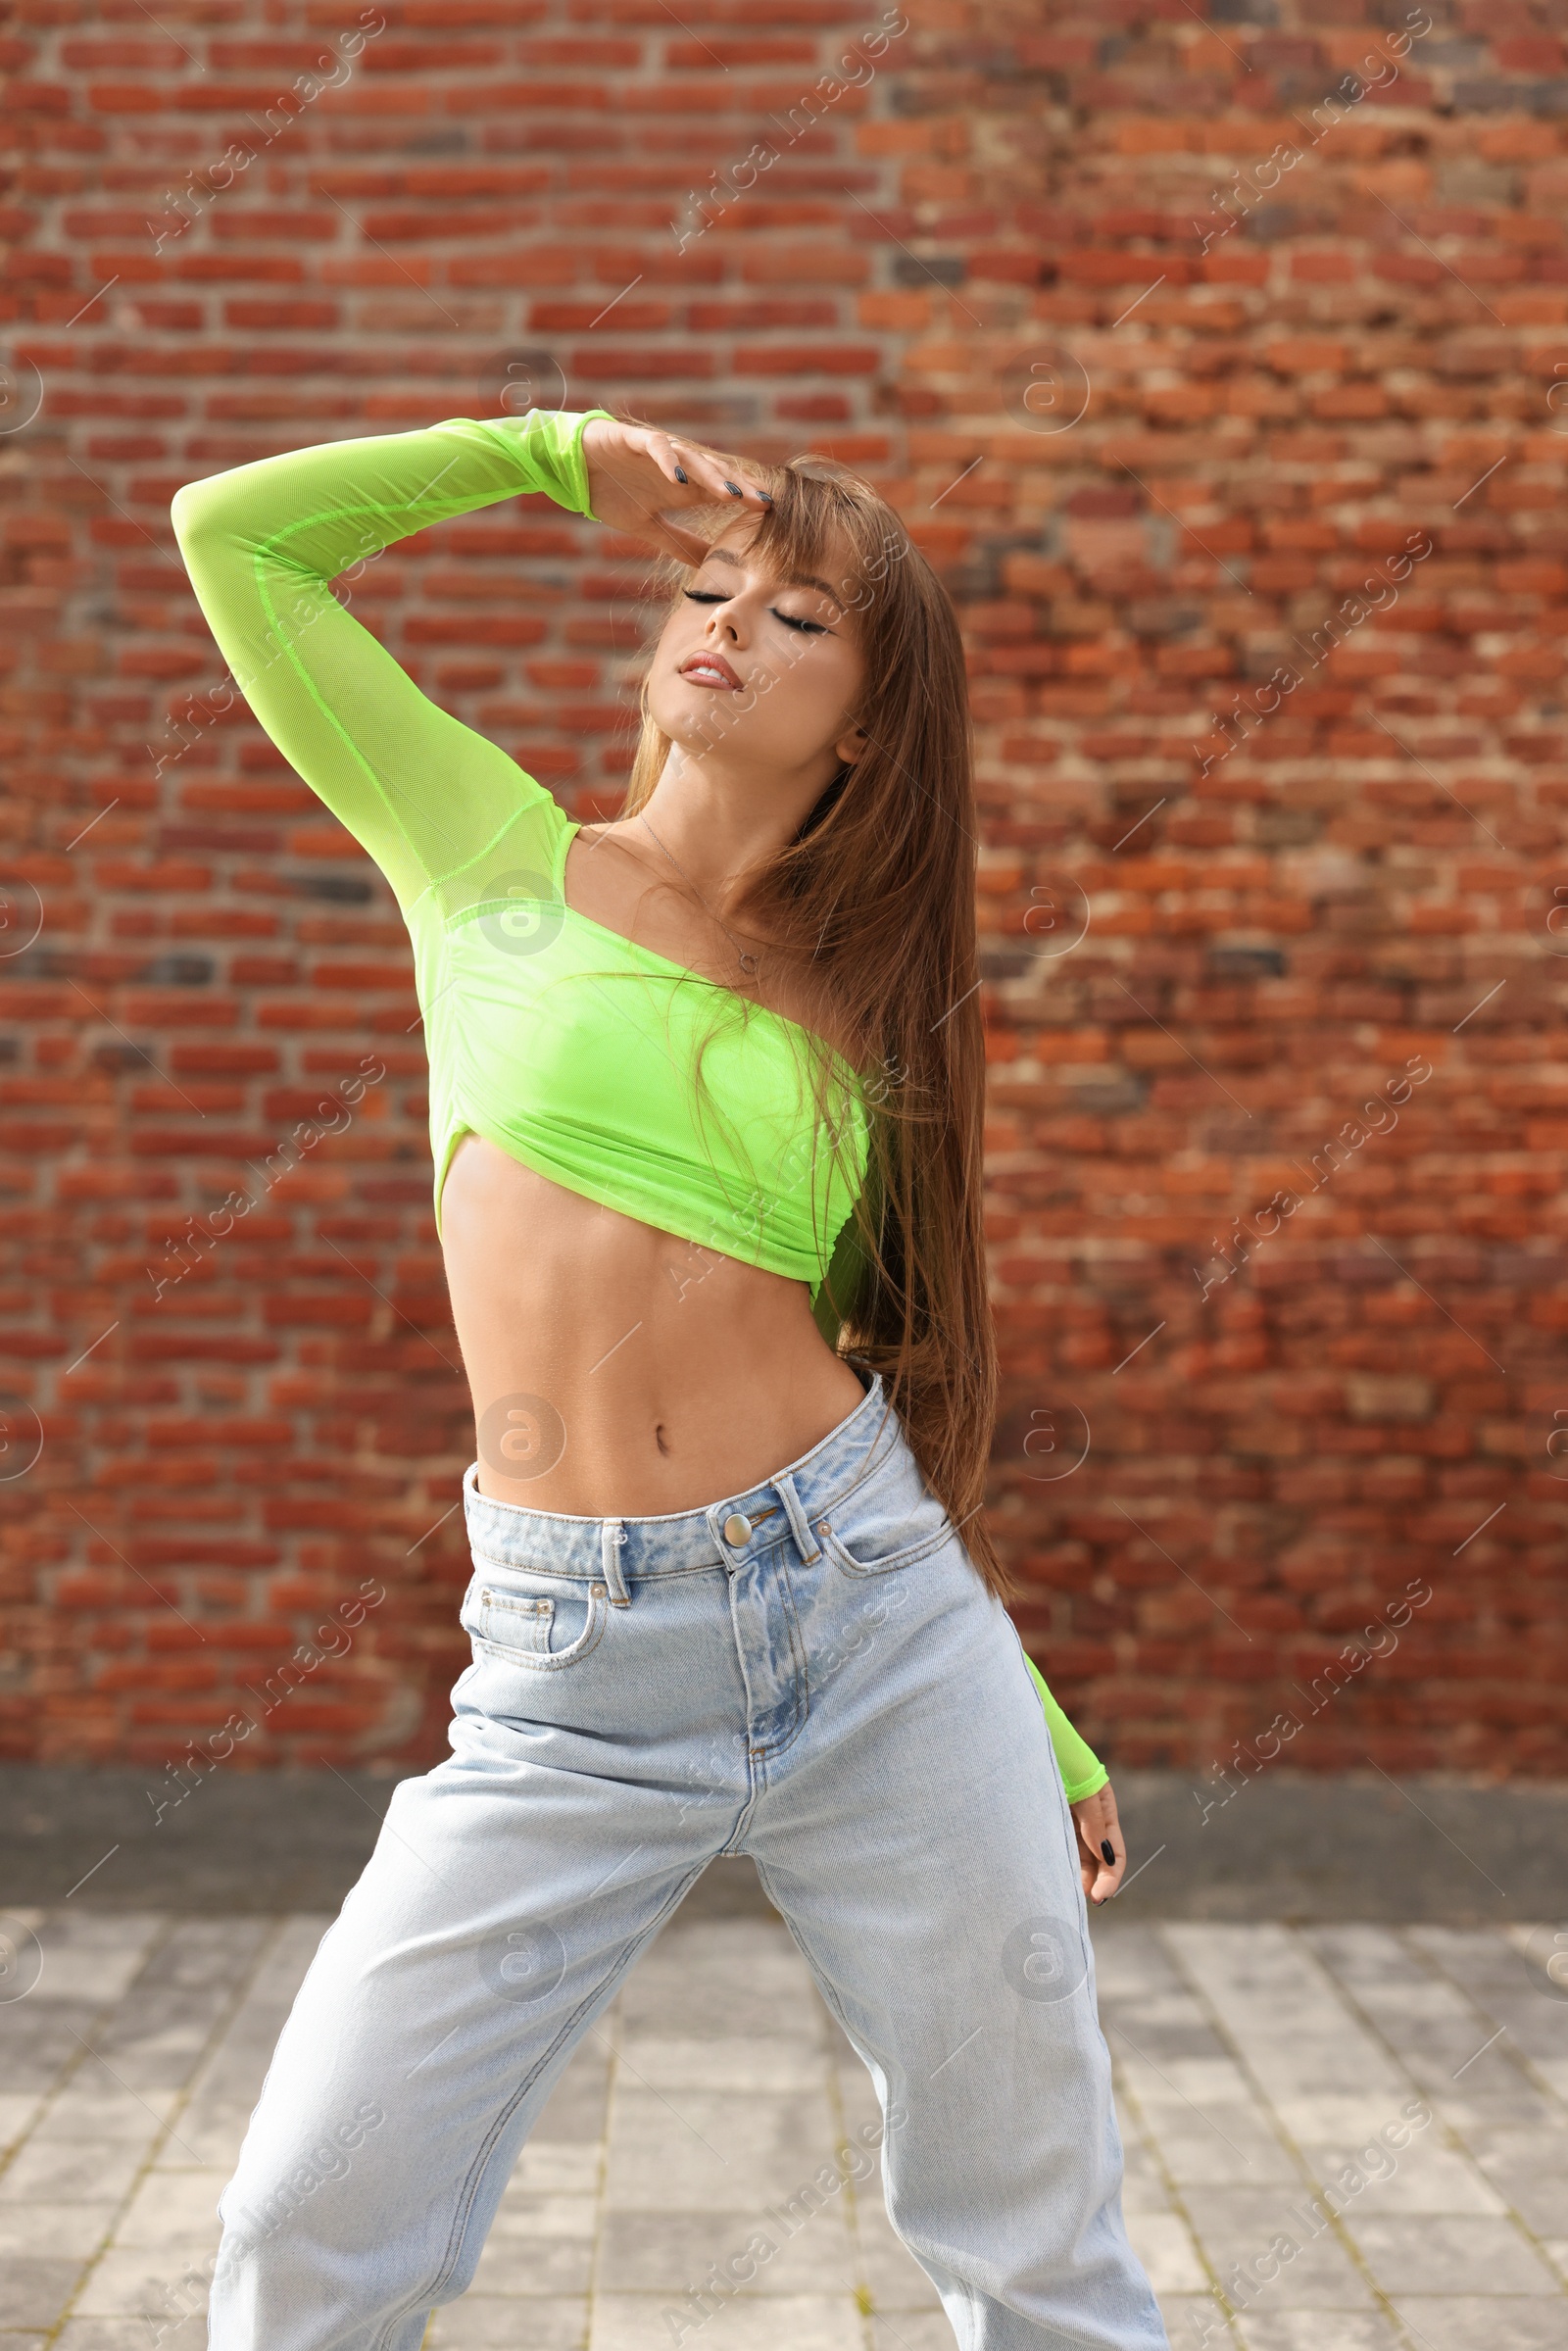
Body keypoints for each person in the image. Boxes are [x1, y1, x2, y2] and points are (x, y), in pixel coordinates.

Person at [172, 405, 1168, 2349]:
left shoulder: (865, 1013)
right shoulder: (488, 853)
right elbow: (236, 540)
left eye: (793, 618)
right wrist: (544, 454)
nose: (719, 623)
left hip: (873, 1623)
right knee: (314, 2215)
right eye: (704, 591)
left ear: (871, 721)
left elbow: (881, 1372)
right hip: (565, 1668)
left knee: (1032, 2235)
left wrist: (1029, 1721)